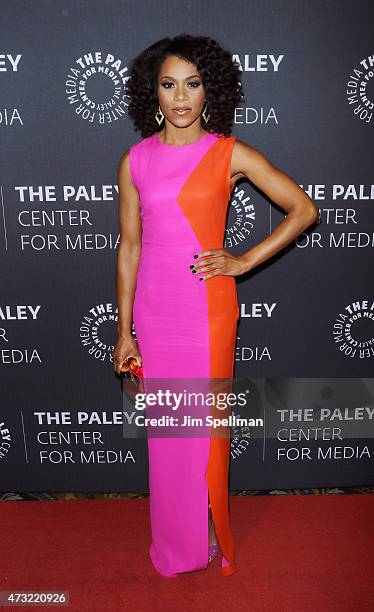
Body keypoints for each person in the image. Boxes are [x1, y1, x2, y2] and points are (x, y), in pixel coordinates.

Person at [112, 34, 318, 578]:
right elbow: (129, 248)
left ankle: (205, 524)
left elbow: (303, 208)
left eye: (193, 84)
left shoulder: (230, 153)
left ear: (211, 91)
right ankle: (176, 541)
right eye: (169, 84)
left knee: (203, 430)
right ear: (152, 93)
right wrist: (124, 329)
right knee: (168, 434)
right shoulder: (134, 161)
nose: (181, 97)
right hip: (155, 313)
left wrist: (245, 261)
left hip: (207, 310)